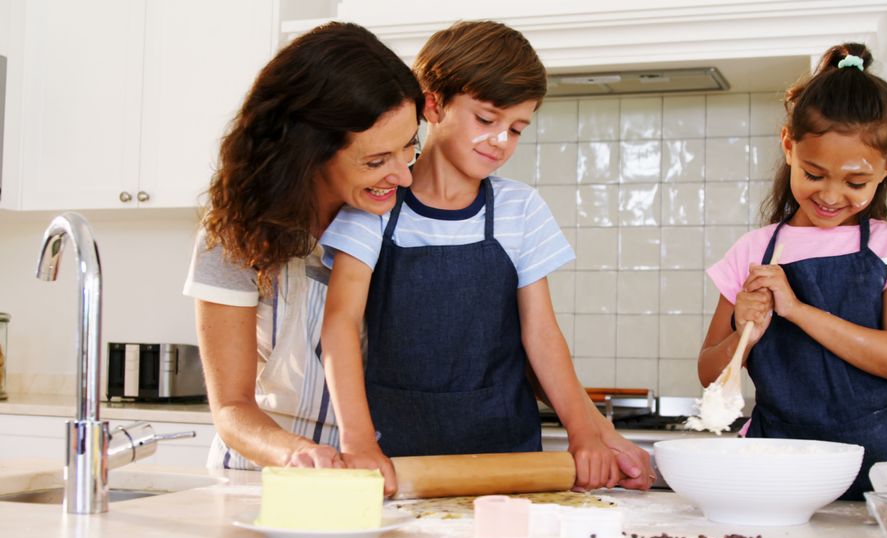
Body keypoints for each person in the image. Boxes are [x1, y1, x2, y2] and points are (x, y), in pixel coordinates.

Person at [318, 20, 654, 495]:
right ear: (433, 103)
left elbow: (541, 335)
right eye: (486, 119)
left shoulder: (521, 209)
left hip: (506, 459)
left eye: (516, 129)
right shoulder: (377, 204)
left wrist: (585, 431)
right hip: (397, 458)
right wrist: (357, 441)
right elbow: (340, 324)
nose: (501, 141)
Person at [697, 43, 887, 500]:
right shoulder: (752, 252)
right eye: (814, 174)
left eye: (855, 182)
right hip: (782, 468)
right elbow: (710, 373)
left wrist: (795, 310)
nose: (832, 195)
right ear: (789, 145)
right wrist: (744, 334)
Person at [182, 22, 425, 470]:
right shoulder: (234, 235)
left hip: (379, 473)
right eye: (376, 161)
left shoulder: (406, 218)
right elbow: (232, 407)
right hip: (263, 478)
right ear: (308, 151)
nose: (404, 175)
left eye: (410, 147)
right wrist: (296, 453)